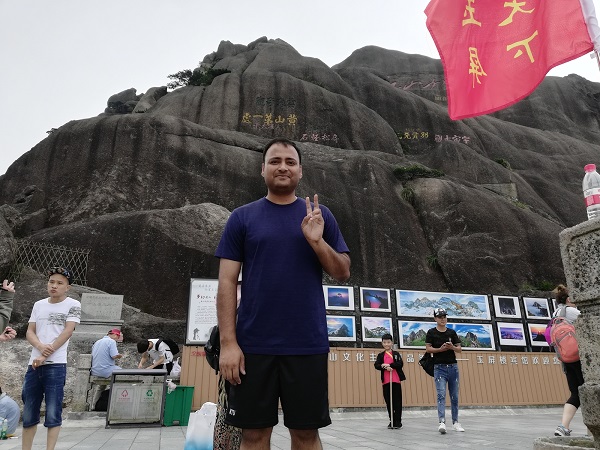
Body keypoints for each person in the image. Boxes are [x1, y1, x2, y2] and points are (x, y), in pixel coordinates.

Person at [216, 138, 351, 449]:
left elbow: (343, 271)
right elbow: (226, 282)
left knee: (306, 435)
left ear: (300, 171)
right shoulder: (242, 217)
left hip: (306, 343)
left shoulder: (320, 215)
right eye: (275, 161)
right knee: (253, 434)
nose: (282, 167)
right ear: (262, 169)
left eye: (290, 162)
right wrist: (228, 344)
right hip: (253, 346)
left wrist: (317, 242)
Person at [22, 266, 81, 450]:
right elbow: (30, 331)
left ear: (68, 287)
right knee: (29, 410)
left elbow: (68, 331)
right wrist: (39, 348)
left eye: (59, 283)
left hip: (56, 365)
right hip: (33, 364)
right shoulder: (39, 304)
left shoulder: (73, 304)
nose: (54, 286)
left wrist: (45, 354)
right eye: (51, 282)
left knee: (53, 411)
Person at [425, 307, 465, 434]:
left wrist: (451, 347)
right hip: (439, 367)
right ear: (435, 318)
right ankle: (442, 422)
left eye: (444, 317)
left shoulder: (452, 332)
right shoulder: (431, 332)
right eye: (440, 317)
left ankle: (455, 422)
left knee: (454, 396)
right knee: (441, 395)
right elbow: (428, 349)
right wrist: (440, 349)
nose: (443, 319)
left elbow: (459, 349)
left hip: (453, 367)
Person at [552, 284, 584, 437]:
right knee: (589, 390)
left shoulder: (556, 312)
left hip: (566, 359)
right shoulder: (572, 311)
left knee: (576, 393)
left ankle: (563, 426)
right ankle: (592, 430)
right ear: (569, 299)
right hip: (579, 357)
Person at [374, 333, 405, 429]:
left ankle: (398, 421)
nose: (386, 344)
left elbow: (400, 363)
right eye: (384, 342)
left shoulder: (396, 354)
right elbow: (376, 365)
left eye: (388, 342)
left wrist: (390, 366)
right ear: (382, 343)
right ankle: (391, 420)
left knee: (397, 401)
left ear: (392, 343)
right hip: (386, 382)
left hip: (395, 381)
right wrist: (383, 366)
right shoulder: (381, 355)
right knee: (389, 401)